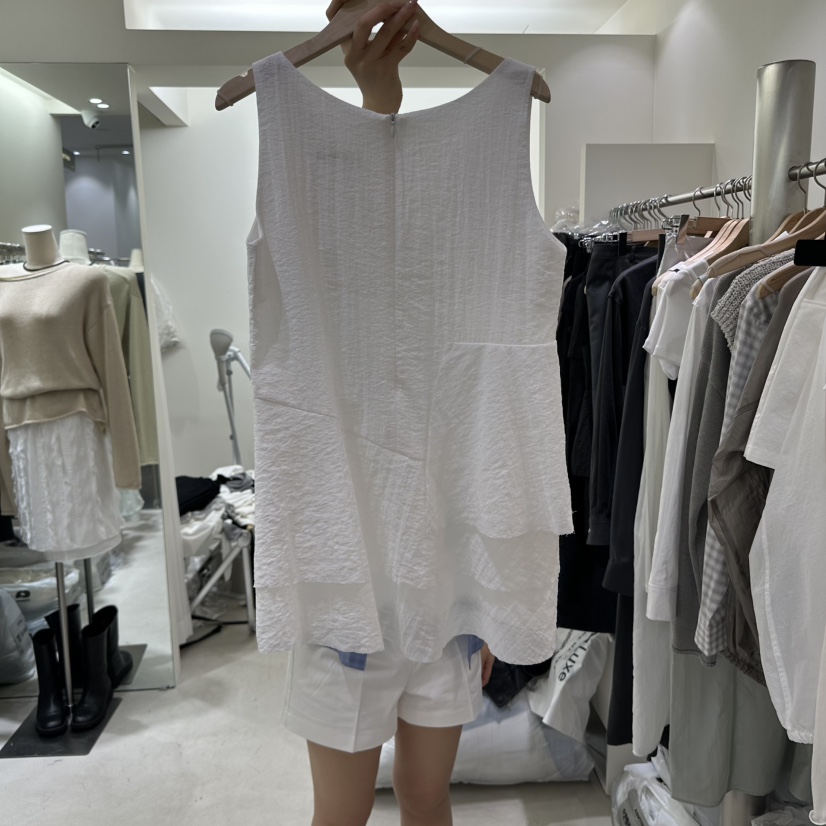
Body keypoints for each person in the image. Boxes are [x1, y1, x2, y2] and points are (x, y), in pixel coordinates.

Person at [290, 9, 497, 825]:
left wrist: (485, 601)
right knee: (342, 812)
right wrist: (376, 100)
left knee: (426, 795)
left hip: (447, 583)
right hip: (349, 578)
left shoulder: (465, 236)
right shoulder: (316, 218)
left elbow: (488, 421)